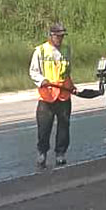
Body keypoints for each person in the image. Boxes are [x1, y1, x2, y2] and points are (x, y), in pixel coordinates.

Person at [29, 22, 75, 168]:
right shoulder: (40, 51)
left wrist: (72, 87)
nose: (60, 39)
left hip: (63, 95)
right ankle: (42, 153)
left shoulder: (66, 51)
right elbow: (33, 71)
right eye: (58, 36)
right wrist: (42, 80)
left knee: (64, 126)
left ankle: (60, 153)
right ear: (51, 35)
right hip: (47, 97)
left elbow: (67, 72)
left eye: (62, 36)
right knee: (44, 128)